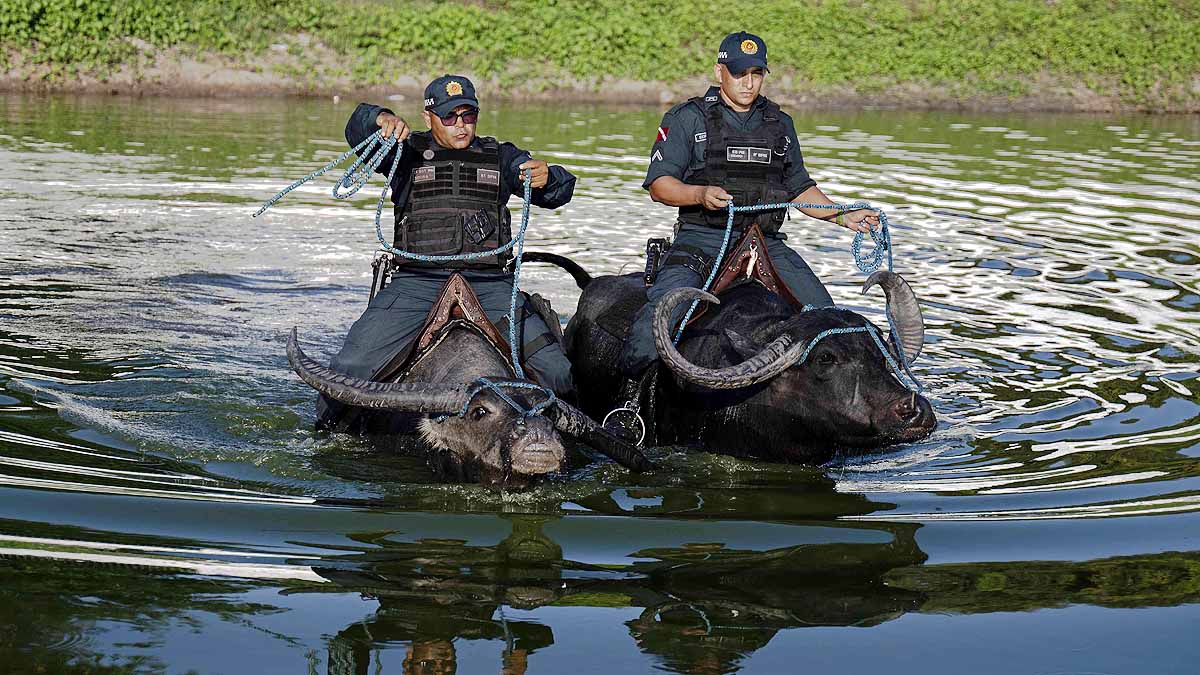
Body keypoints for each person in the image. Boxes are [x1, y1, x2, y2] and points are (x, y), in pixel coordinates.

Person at [615, 31, 880, 382]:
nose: (748, 82)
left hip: (766, 242)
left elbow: (799, 188)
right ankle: (628, 403)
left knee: (827, 320)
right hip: (702, 239)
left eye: (756, 74)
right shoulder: (686, 118)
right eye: (739, 73)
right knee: (658, 321)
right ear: (719, 72)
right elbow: (660, 186)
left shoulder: (780, 124)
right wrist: (699, 194)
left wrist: (843, 217)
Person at [317, 75, 577, 430]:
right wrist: (380, 118)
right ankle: (328, 435)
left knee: (558, 370)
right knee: (352, 368)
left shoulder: (502, 156)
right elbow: (356, 131)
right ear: (429, 118)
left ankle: (566, 438)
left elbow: (558, 191)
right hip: (416, 284)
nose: (459, 125)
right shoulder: (403, 153)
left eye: (467, 115)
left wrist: (549, 177)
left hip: (489, 284)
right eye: (449, 116)